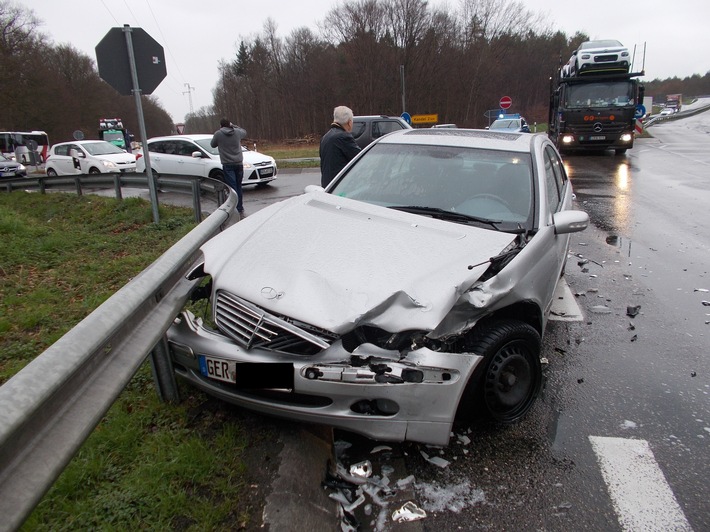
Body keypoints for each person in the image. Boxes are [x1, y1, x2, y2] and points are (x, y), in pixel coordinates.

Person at [211, 118, 248, 215]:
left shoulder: (218, 134)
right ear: (230, 124)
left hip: (227, 164)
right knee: (239, 186)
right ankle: (240, 207)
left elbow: (212, 145)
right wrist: (234, 125)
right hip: (238, 163)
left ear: (221, 125)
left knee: (232, 187)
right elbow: (244, 132)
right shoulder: (237, 132)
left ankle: (234, 208)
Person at [319, 105, 361, 187]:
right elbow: (359, 158)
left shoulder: (325, 137)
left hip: (327, 184)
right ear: (349, 122)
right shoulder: (344, 137)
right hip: (339, 186)